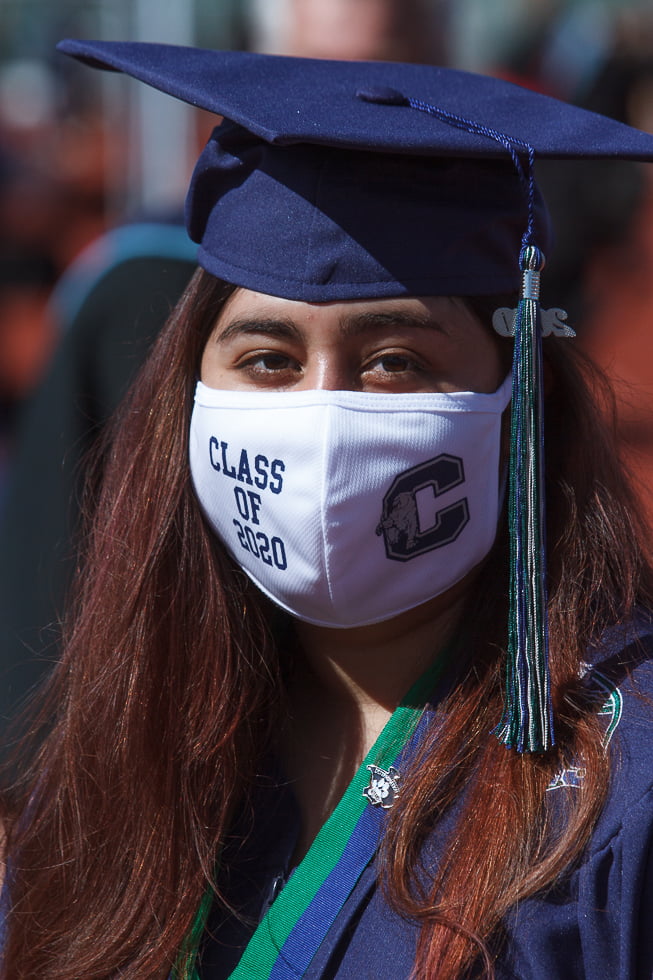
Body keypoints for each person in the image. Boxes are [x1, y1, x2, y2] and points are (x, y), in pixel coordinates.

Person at [2, 41, 653, 980]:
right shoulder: (122, 765)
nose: (322, 417)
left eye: (395, 360)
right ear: (187, 395)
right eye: (267, 360)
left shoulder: (616, 795)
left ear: (518, 398)